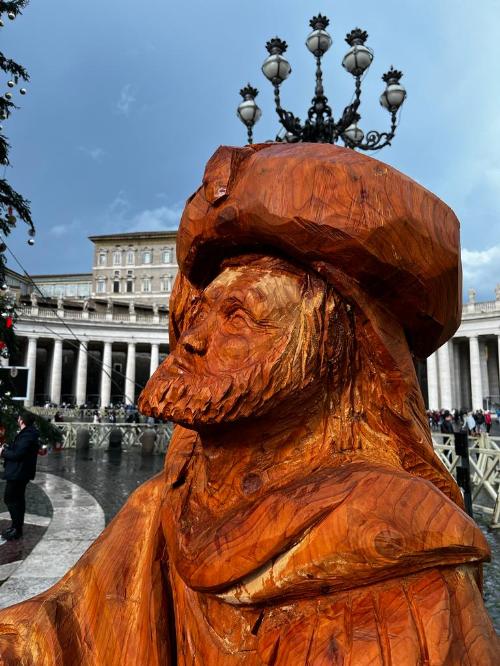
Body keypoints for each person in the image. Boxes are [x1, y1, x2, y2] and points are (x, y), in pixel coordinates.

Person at [0, 144, 498, 663]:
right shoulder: (162, 510)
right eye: (202, 311)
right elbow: (58, 632)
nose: (190, 339)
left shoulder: (406, 575)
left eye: (237, 317)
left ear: (330, 346)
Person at [0, 411, 40, 541]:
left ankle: (16, 529)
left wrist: (3, 452)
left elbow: (18, 454)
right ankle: (16, 527)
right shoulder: (27, 433)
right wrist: (8, 448)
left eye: (18, 418)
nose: (17, 420)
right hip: (19, 472)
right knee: (17, 500)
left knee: (10, 499)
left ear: (21, 421)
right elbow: (18, 449)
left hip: (19, 473)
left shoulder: (27, 434)